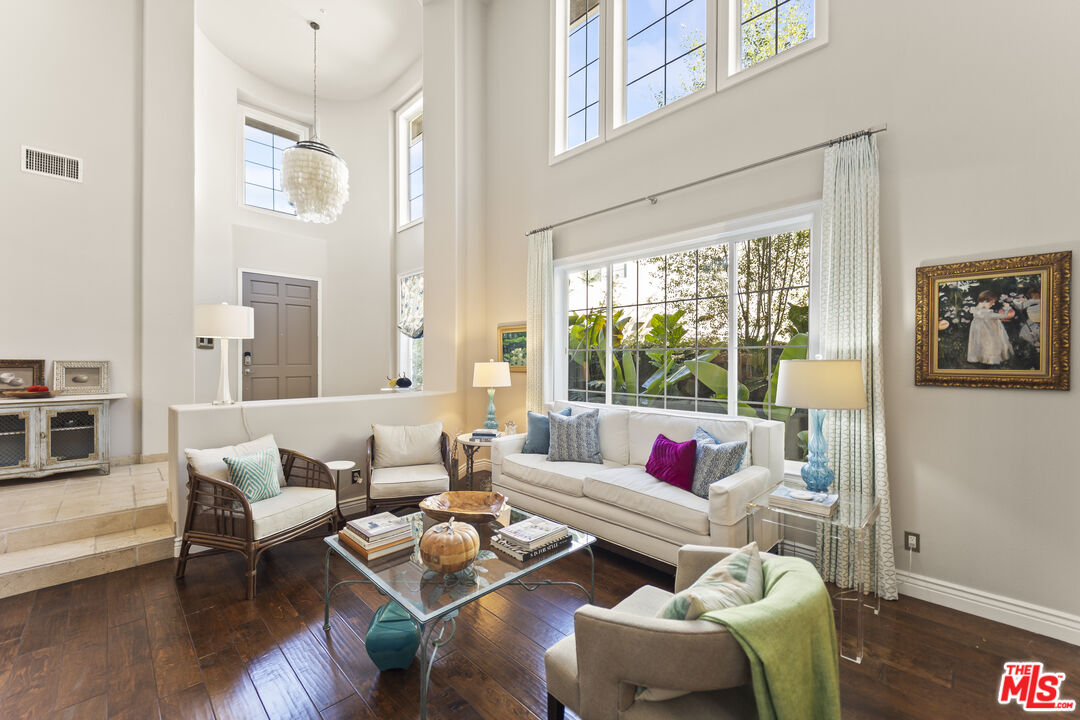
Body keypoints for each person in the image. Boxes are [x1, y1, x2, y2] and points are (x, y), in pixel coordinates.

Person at [967, 290, 1014, 365]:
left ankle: (980, 358)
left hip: (979, 332)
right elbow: (1003, 316)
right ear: (986, 301)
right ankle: (990, 360)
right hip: (988, 331)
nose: (993, 304)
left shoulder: (975, 311)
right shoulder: (987, 313)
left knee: (980, 344)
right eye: (991, 302)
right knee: (990, 344)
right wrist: (1007, 309)